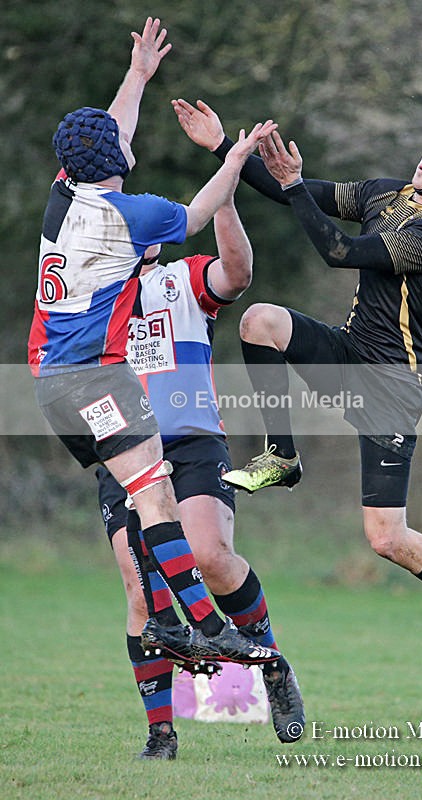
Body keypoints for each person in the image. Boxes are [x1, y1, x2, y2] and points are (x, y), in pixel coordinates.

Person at [173, 98, 422, 686]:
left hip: (391, 392)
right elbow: (287, 192)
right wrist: (225, 145)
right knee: (260, 323)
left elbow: (340, 253)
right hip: (347, 355)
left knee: (387, 538)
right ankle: (281, 455)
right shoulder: (387, 193)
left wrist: (296, 185)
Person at [28, 19, 281, 679]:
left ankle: (182, 626)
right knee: (156, 498)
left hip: (53, 387)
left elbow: (111, 133)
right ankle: (204, 629)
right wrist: (231, 159)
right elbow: (197, 216)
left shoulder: (65, 197)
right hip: (99, 381)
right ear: (116, 159)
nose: (124, 138)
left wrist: (137, 75)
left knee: (149, 498)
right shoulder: (131, 216)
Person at [95, 197, 304, 759]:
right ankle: (161, 734)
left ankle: (273, 667)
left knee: (209, 556)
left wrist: (226, 196)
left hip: (190, 442)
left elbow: (238, 272)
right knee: (143, 594)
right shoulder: (92, 297)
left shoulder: (181, 280)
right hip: (121, 449)